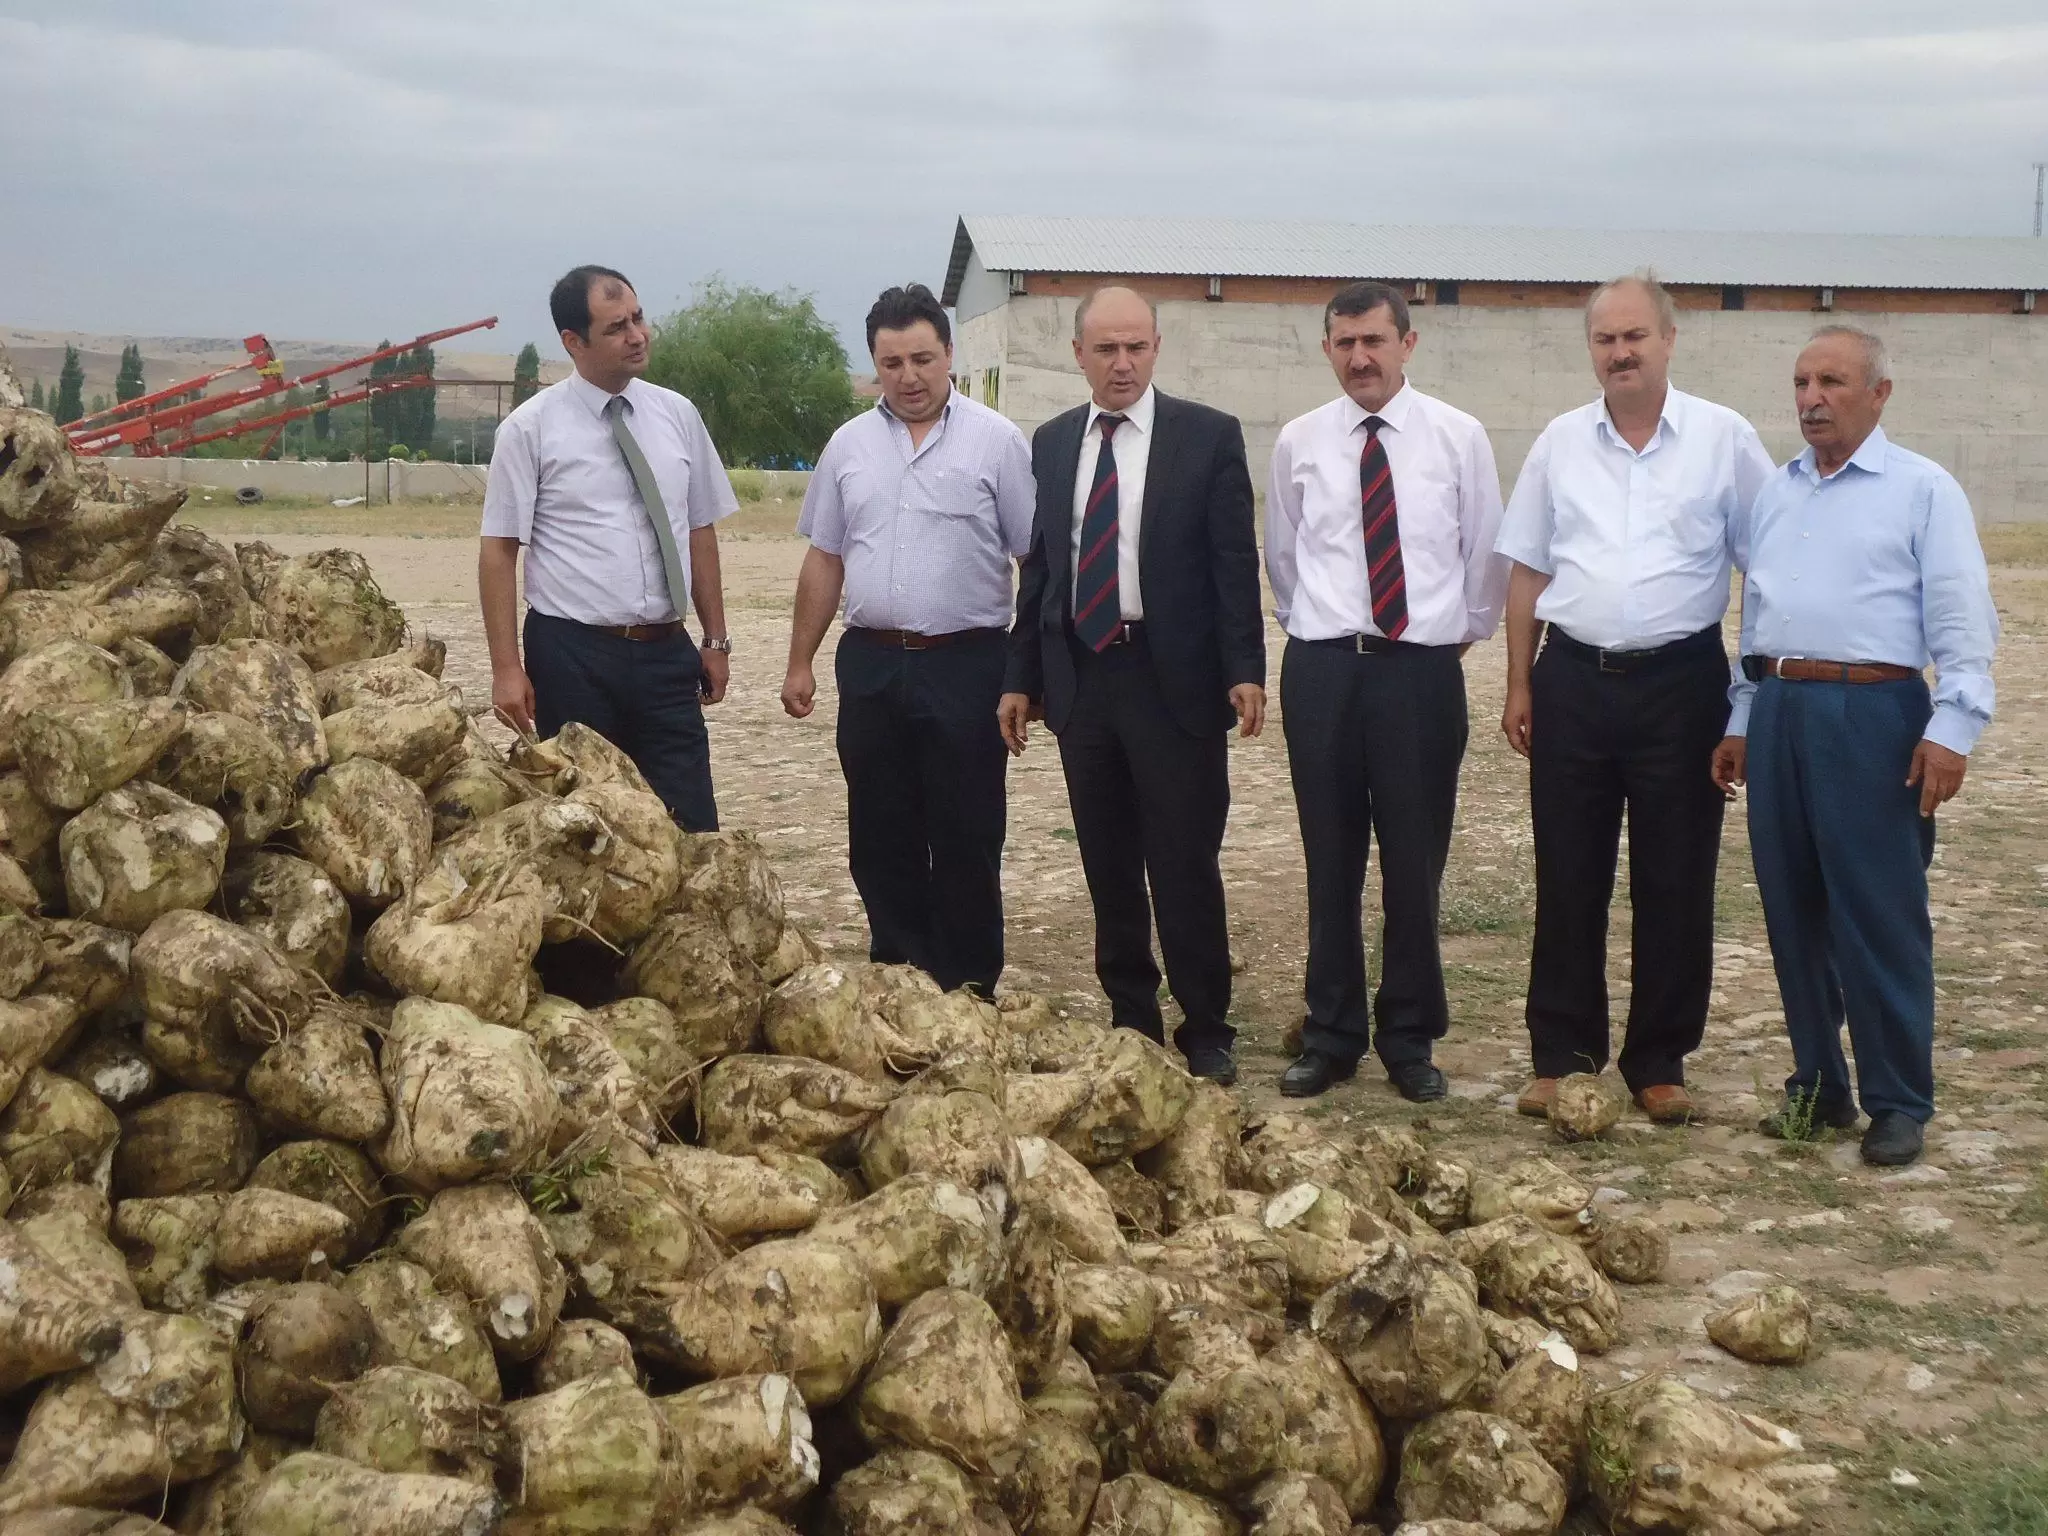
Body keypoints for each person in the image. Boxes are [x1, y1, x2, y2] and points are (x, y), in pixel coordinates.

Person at [1712, 326, 1997, 1167]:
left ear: (1879, 394)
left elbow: (1963, 622)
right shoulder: (1779, 493)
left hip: (1875, 716)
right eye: (1802, 382)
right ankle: (1820, 1085)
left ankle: (1898, 1099)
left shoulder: (1922, 490)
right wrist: (1741, 719)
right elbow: (1757, 622)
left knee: (1878, 912)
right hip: (1782, 710)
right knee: (1792, 907)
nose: (1811, 399)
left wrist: (1953, 727)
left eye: (1832, 382)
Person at [1494, 271, 1774, 1124]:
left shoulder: (1725, 441)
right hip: (1573, 681)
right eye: (1604, 339)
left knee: (1676, 876)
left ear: (1668, 340)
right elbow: (1529, 569)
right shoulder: (1560, 442)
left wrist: (1746, 707)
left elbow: (1766, 571)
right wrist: (1518, 682)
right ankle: (1563, 1055)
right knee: (1568, 871)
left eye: (1634, 337)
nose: (1619, 352)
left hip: (1682, 686)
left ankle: (1659, 1060)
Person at [999, 286, 1264, 1082]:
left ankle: (1207, 1025)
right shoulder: (1049, 443)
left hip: (1172, 679)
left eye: (1135, 348)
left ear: (1156, 348)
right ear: (1077, 354)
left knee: (1184, 859)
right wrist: (1022, 677)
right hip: (1082, 677)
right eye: (1105, 349)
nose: (1121, 363)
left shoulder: (1206, 438)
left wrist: (1245, 670)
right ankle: (1131, 1018)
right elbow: (1041, 570)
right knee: (1107, 861)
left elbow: (1231, 565)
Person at [1266, 281, 1509, 1101]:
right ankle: (1331, 1034)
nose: (1360, 357)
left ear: (1408, 344)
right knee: (1329, 859)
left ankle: (1410, 1038)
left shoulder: (1458, 437)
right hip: (1326, 669)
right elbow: (1284, 558)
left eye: (1374, 340)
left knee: (1415, 863)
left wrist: (1443, 638)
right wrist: (1327, 631)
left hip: (1419, 674)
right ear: (1327, 349)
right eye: (1344, 342)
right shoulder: (1299, 441)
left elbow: (1485, 559)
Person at [782, 284, 1033, 995]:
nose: (910, 376)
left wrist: (1028, 674)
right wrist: (799, 661)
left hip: (968, 664)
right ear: (875, 364)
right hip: (870, 664)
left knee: (967, 831)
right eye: (892, 363)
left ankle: (970, 984)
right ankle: (898, 973)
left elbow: (1030, 559)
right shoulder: (848, 447)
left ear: (949, 354)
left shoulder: (997, 442)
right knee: (880, 829)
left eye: (923, 358)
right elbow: (825, 556)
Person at [480, 264, 736, 830]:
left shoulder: (677, 415)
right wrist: (506, 669)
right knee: (586, 828)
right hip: (574, 656)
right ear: (573, 342)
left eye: (639, 319)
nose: (637, 335)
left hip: (667, 654)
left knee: (691, 824)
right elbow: (498, 551)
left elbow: (700, 528)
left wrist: (714, 639)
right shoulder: (530, 430)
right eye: (617, 327)